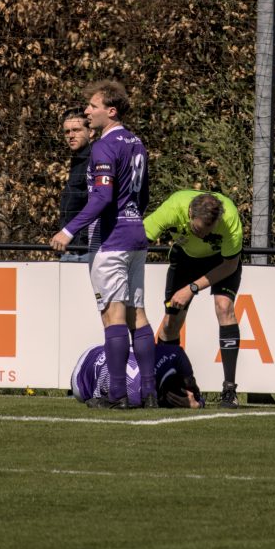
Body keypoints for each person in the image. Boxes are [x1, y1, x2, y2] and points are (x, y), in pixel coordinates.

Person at [49, 80, 156, 409]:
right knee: (138, 315)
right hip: (136, 235)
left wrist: (68, 231)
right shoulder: (136, 142)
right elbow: (143, 194)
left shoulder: (103, 146)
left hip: (111, 239)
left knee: (113, 317)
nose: (87, 111)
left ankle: (117, 394)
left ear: (111, 111)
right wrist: (132, 218)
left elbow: (102, 197)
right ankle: (150, 393)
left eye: (92, 106)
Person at [143, 190, 244, 408]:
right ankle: (166, 385)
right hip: (186, 258)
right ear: (190, 214)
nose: (203, 235)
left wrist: (192, 288)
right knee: (170, 324)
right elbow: (140, 237)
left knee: (224, 307)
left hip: (221, 262)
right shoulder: (173, 208)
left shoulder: (229, 219)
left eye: (210, 230)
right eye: (198, 230)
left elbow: (230, 265)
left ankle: (229, 390)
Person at [71, 342, 205, 409]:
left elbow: (179, 355)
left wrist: (195, 395)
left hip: (96, 351)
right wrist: (198, 403)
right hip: (80, 381)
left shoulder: (173, 355)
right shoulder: (135, 395)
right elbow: (95, 402)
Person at [57, 107, 93, 263]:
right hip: (72, 247)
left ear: (91, 132)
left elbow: (100, 202)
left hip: (85, 250)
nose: (71, 135)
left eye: (76, 130)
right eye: (67, 131)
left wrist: (79, 240)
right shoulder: (77, 160)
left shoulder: (96, 159)